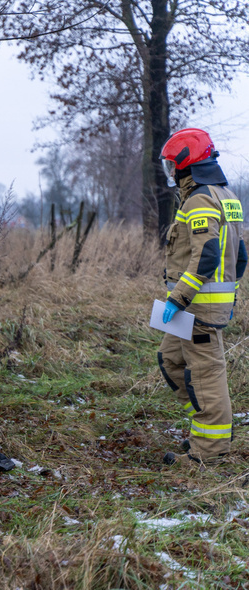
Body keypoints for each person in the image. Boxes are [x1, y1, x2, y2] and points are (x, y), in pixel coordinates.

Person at [158, 128, 247, 468]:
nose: (171, 172)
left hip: (195, 307)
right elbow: (239, 258)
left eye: (172, 165)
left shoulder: (199, 200)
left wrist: (178, 298)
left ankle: (208, 452)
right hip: (197, 306)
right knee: (170, 360)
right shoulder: (227, 196)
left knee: (205, 375)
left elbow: (207, 256)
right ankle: (208, 429)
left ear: (186, 163)